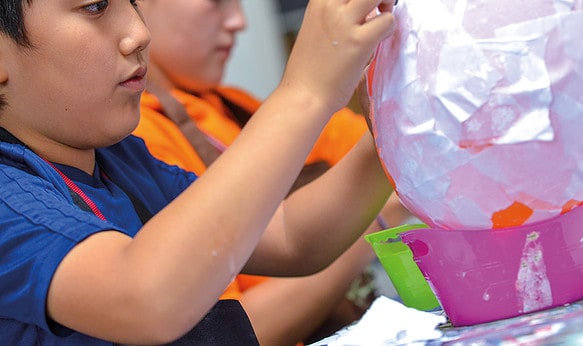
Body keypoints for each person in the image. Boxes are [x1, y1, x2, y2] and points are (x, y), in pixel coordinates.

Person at [0, 0, 396, 344]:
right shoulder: (10, 199)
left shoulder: (122, 161)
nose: (140, 33)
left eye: (134, 3)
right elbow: (147, 298)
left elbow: (288, 235)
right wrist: (305, 92)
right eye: (96, 6)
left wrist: (391, 129)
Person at [133, 1, 402, 344]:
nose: (238, 22)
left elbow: (292, 232)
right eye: (216, 2)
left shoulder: (233, 105)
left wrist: (392, 117)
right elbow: (235, 330)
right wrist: (377, 218)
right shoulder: (139, 141)